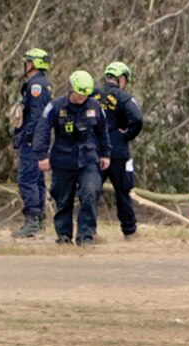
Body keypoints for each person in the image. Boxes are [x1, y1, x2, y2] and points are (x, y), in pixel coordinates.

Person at [32, 71, 111, 246]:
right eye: (80, 93)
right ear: (71, 89)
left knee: (90, 193)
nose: (82, 97)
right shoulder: (55, 107)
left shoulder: (95, 107)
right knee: (63, 199)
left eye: (86, 93)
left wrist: (106, 154)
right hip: (63, 160)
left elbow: (103, 132)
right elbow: (42, 130)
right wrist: (42, 156)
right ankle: (64, 235)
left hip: (89, 159)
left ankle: (86, 236)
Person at [93, 62, 145, 239]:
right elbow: (137, 118)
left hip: (95, 151)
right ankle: (129, 231)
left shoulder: (92, 93)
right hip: (117, 151)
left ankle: (88, 231)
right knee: (123, 192)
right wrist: (128, 134)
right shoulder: (124, 97)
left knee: (91, 191)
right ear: (122, 78)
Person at [10, 48, 54, 238]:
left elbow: (37, 115)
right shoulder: (39, 83)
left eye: (27, 61)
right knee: (36, 180)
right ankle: (40, 219)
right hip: (37, 139)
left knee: (26, 179)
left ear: (34, 64)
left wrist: (30, 138)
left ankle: (32, 221)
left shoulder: (36, 86)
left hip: (33, 141)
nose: (25, 65)